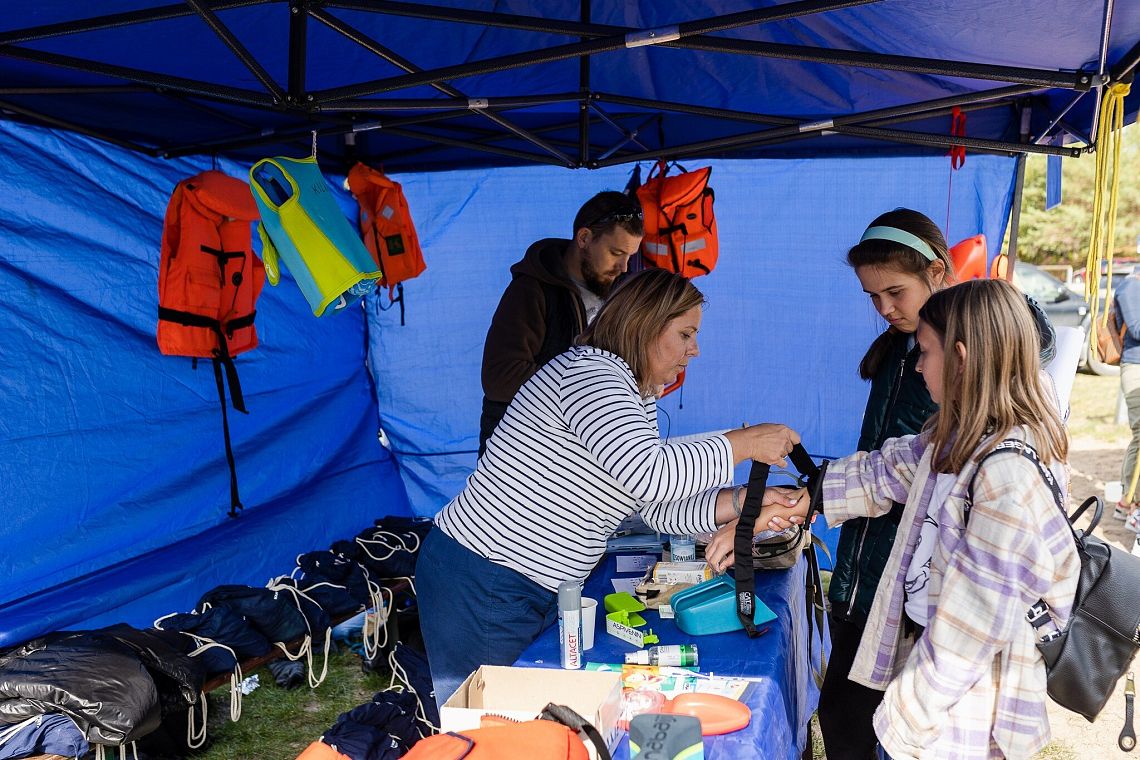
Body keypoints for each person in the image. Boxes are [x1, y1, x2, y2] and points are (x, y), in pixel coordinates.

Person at [708, 279, 1080, 759]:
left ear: (961, 358)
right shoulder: (956, 438)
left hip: (958, 717)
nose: (918, 365)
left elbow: (971, 628)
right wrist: (786, 506)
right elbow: (885, 471)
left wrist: (907, 721)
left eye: (924, 352)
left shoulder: (1005, 476)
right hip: (931, 690)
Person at [417, 269, 805, 707]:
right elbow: (649, 473)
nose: (694, 350)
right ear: (645, 325)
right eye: (685, 334)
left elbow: (654, 505)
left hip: (522, 584)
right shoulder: (590, 375)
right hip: (487, 578)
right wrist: (744, 442)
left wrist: (742, 500)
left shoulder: (633, 394)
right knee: (493, 724)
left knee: (527, 721)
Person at [816, 208, 954, 760]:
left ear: (937, 272)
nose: (885, 309)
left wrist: (818, 495)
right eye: (873, 297)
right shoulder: (899, 349)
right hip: (861, 564)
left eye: (895, 292)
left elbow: (906, 469)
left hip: (906, 576)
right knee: (842, 716)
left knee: (884, 728)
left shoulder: (959, 357)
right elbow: (880, 462)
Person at [478, 190, 645, 455]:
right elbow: (499, 378)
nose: (624, 267)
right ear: (584, 238)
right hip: (519, 455)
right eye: (616, 253)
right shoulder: (530, 291)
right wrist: (588, 386)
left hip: (582, 452)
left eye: (630, 256)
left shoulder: (620, 295)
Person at [1112, 270, 1140, 526]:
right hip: (1135, 368)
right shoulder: (1130, 286)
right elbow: (1137, 329)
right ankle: (1127, 501)